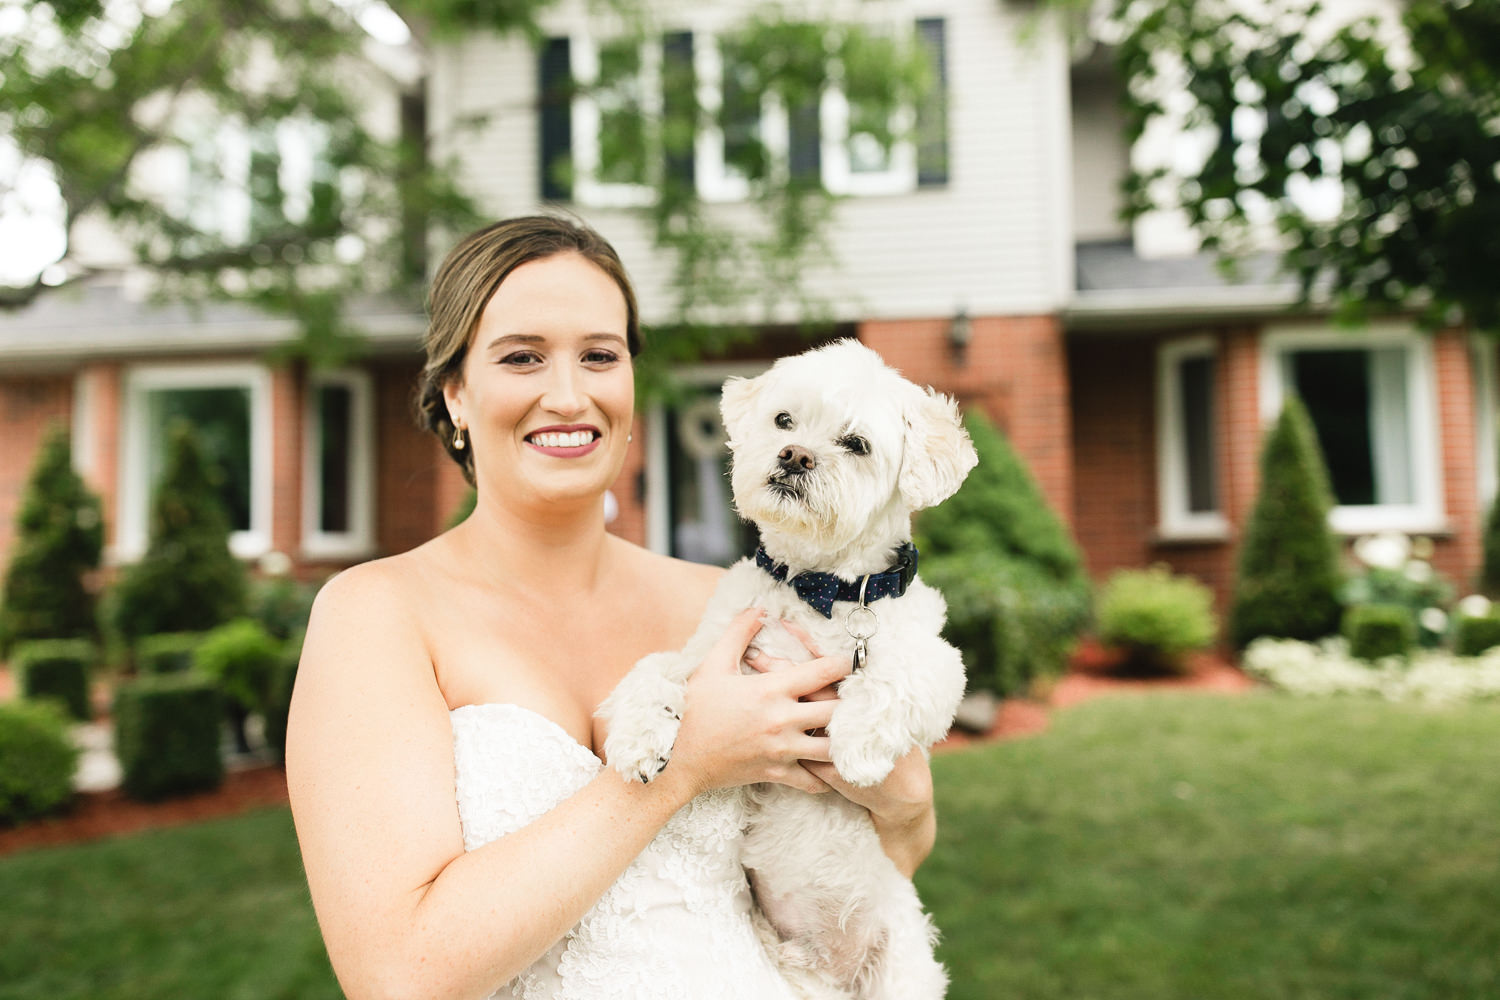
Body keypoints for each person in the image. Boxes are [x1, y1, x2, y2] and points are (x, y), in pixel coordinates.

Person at [285, 215, 937, 1000]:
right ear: (456, 392)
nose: (568, 396)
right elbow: (395, 977)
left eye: (600, 355)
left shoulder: (729, 606)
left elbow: (868, 868)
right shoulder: (376, 616)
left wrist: (906, 807)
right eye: (522, 357)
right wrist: (679, 772)